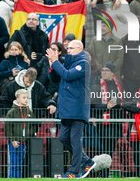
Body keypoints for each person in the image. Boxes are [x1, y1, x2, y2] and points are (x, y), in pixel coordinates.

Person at [47, 40, 95, 178]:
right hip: (67, 107)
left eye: (71, 48)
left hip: (77, 106)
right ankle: (87, 161)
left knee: (75, 139)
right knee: (63, 137)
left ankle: (74, 171)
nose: (68, 50)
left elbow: (68, 75)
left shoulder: (84, 63)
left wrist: (56, 62)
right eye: (67, 48)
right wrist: (52, 66)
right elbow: (55, 79)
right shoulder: (69, 62)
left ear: (80, 49)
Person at [90, 61, 123, 177]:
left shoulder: (117, 85)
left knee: (110, 152)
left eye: (106, 70)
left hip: (114, 124)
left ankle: (105, 174)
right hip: (102, 125)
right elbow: (92, 106)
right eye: (102, 70)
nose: (103, 72)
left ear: (112, 73)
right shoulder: (96, 86)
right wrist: (106, 106)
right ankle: (101, 174)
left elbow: (120, 103)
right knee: (103, 151)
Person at [4, 89, 36, 178]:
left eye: (27, 98)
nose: (26, 100)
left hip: (24, 142)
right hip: (14, 142)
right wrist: (12, 140)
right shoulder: (12, 112)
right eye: (24, 97)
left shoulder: (29, 112)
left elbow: (34, 125)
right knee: (13, 163)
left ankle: (19, 178)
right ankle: (12, 178)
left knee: (20, 163)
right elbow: (7, 128)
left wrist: (30, 134)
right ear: (17, 99)